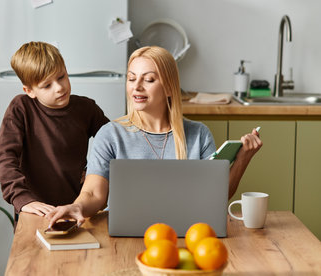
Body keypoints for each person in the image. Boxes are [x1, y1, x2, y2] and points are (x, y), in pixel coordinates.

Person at [46, 46, 262, 227]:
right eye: (131, 79)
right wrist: (77, 206)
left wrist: (243, 158)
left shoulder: (199, 135)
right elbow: (93, 194)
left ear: (169, 87)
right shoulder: (111, 135)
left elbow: (215, 196)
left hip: (186, 234)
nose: (136, 87)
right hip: (124, 236)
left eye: (148, 79)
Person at [0, 41, 109, 219]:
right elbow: (4, 160)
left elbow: (113, 143)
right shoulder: (20, 108)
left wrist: (93, 171)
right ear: (29, 90)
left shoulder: (87, 108)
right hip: (35, 210)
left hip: (76, 208)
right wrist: (23, 199)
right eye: (47, 85)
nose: (59, 87)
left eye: (61, 77)